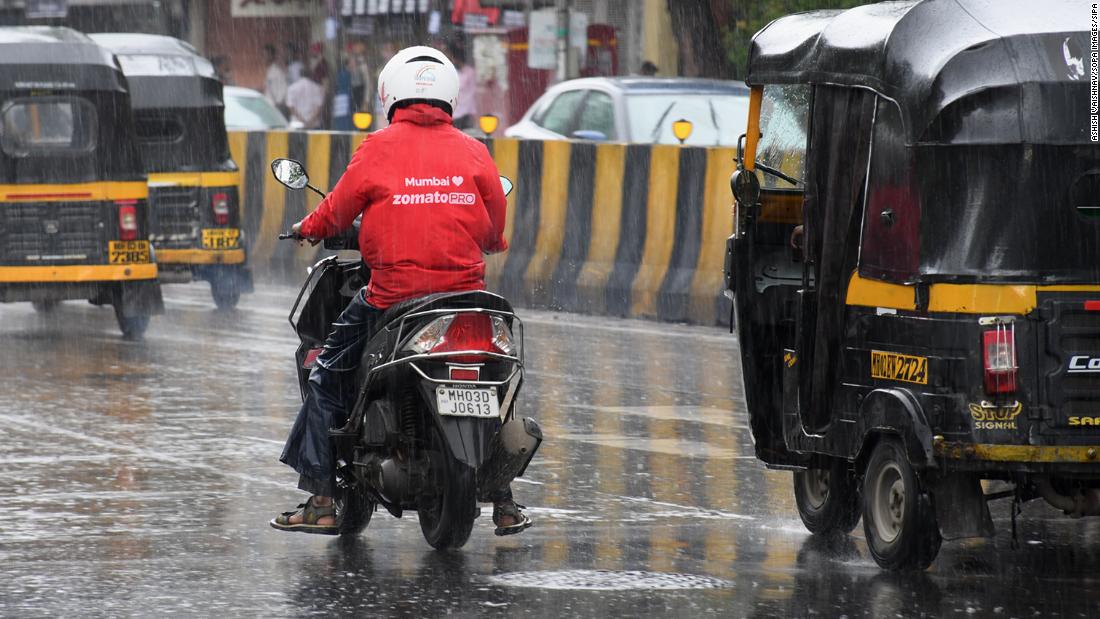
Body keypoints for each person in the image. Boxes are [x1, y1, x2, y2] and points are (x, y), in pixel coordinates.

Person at [271, 45, 530, 537]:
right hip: (466, 302)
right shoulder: (475, 150)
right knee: (497, 378)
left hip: (393, 299)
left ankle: (323, 499)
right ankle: (505, 499)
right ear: (450, 95)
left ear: (390, 93)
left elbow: (337, 211)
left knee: (327, 374)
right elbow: (495, 233)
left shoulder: (378, 147)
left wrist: (307, 225)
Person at [449, 44, 477, 129]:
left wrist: (473, 111)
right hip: (455, 113)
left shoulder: (470, 72)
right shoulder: (453, 72)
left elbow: (473, 92)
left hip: (466, 113)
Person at [263, 44, 288, 114]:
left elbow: (284, 88)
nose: (264, 57)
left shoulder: (277, 71)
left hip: (276, 108)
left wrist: (278, 103)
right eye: (263, 55)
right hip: (270, 106)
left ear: (271, 56)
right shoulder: (270, 70)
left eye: (265, 55)